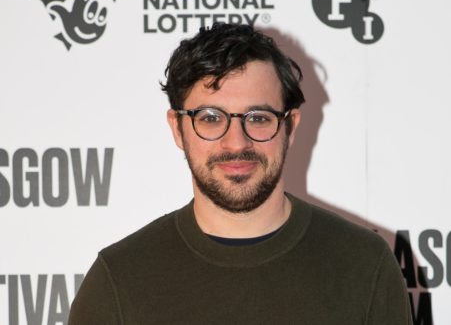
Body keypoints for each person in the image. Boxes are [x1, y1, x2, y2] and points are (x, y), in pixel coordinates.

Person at [68, 23, 413, 324]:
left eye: (259, 118)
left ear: (290, 126)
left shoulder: (364, 265)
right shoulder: (119, 280)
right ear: (178, 128)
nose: (236, 142)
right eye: (211, 118)